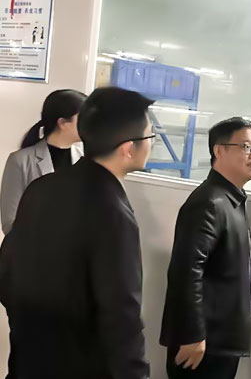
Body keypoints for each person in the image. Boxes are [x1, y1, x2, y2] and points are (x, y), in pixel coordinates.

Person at [0, 87, 154, 379]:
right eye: (150, 137)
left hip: (29, 357)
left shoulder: (42, 188)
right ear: (128, 148)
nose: (152, 144)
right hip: (81, 365)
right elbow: (121, 313)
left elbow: (7, 268)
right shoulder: (112, 210)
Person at [160, 117, 251, 379]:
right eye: (246, 147)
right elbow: (186, 271)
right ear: (219, 150)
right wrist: (192, 334)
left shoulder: (229, 199)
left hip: (219, 342)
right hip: (202, 345)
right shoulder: (210, 202)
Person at [0, 89, 86, 234]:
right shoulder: (20, 161)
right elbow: (10, 222)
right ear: (62, 123)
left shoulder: (86, 160)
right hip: (33, 246)